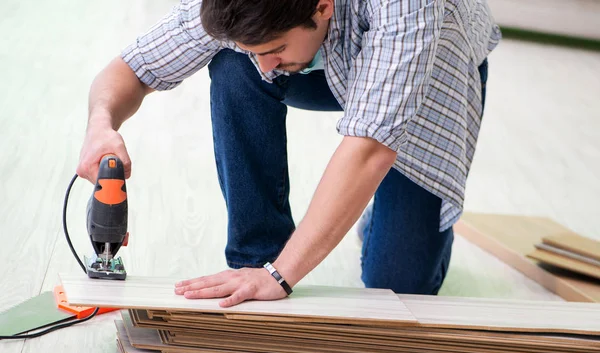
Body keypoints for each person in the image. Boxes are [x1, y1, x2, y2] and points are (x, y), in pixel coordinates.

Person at [76, 0, 501, 307]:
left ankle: (358, 226)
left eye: (274, 48)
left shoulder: (409, 8)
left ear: (322, 6)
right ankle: (256, 258)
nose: (265, 66)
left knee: (398, 287)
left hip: (434, 66)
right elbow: (131, 67)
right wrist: (101, 125)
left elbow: (370, 149)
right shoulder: (238, 7)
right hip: (327, 60)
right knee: (233, 66)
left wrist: (283, 276)